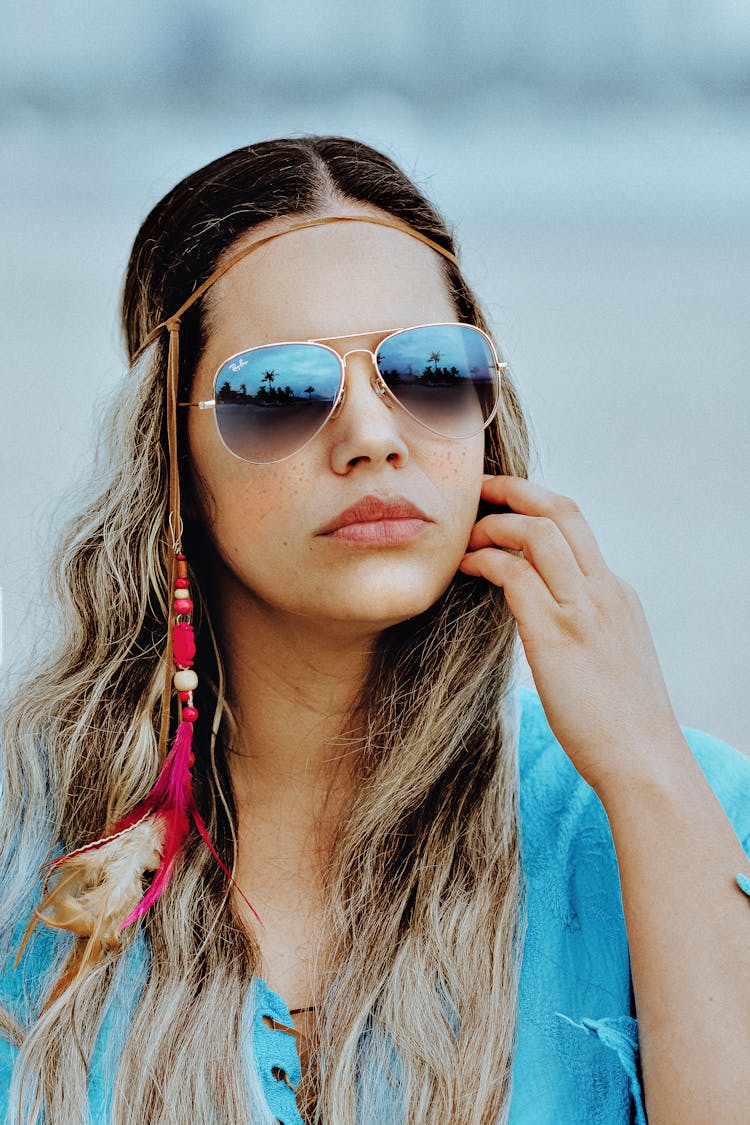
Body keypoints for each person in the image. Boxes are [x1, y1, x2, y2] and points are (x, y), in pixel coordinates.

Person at [0, 135, 748, 1125]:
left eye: (430, 370)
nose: (375, 436)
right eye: (281, 391)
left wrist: (648, 772)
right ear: (171, 459)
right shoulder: (25, 850)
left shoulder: (672, 809)